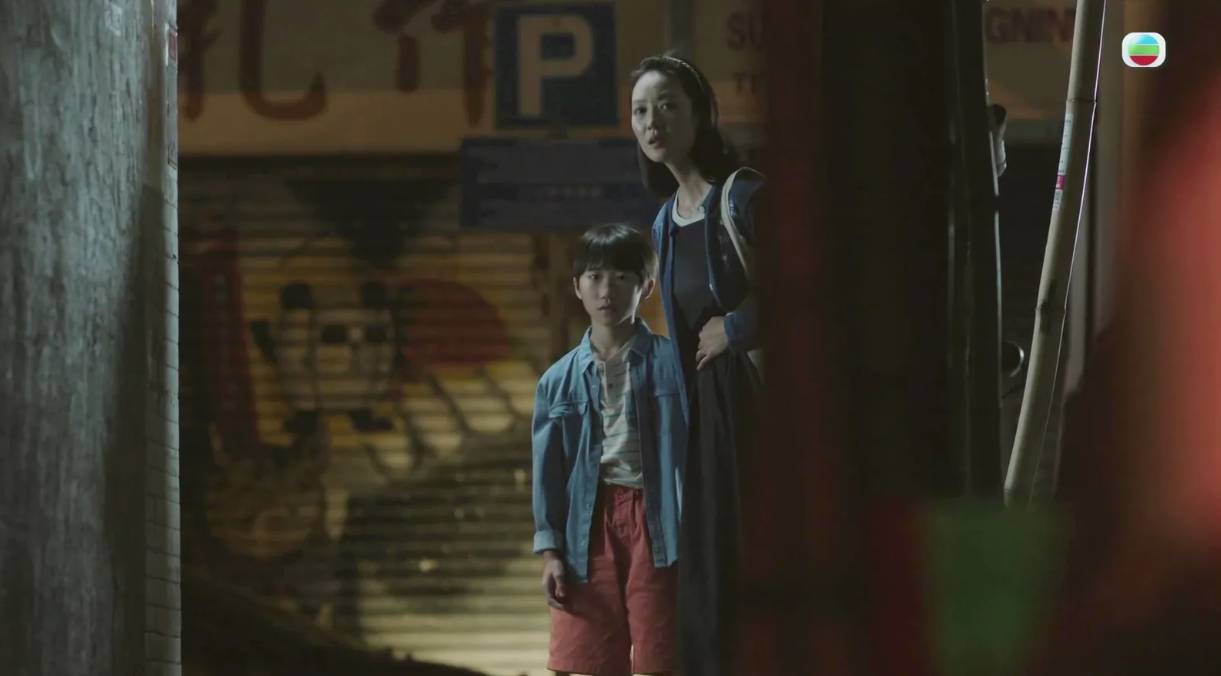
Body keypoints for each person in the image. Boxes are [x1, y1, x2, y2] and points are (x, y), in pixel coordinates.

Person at [630, 53, 765, 676]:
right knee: (709, 574)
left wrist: (735, 327)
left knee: (758, 559)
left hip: (756, 407)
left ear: (700, 113)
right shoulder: (665, 223)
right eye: (640, 110)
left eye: (667, 105)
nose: (652, 121)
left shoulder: (745, 196)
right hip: (705, 419)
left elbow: (819, 281)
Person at [532, 223, 687, 676]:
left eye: (622, 277)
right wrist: (551, 553)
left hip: (660, 523)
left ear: (646, 287)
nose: (607, 291)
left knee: (662, 658)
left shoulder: (675, 366)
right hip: (588, 526)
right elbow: (547, 475)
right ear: (576, 286)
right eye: (595, 277)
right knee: (585, 659)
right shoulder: (557, 381)